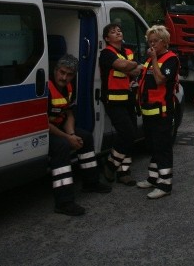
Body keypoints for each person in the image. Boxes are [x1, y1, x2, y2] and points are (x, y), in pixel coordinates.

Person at [48, 54, 111, 216]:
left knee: (85, 137)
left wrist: (71, 133)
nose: (64, 77)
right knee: (62, 146)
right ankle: (64, 202)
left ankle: (91, 182)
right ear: (55, 70)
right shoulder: (46, 88)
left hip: (61, 126)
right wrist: (67, 138)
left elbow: (69, 113)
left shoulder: (70, 86)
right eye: (61, 72)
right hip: (45, 130)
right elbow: (43, 122)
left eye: (69, 74)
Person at [133, 25, 179, 199]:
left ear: (164, 42)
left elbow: (160, 80)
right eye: (149, 41)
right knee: (152, 145)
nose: (151, 45)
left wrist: (152, 60)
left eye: (154, 41)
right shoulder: (151, 58)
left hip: (162, 112)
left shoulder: (170, 59)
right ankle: (153, 178)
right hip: (148, 110)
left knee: (163, 147)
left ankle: (165, 185)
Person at [98, 23, 143, 186]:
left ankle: (124, 172)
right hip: (114, 101)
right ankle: (110, 164)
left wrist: (130, 66)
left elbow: (137, 70)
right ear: (107, 38)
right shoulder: (106, 54)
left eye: (119, 30)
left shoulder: (128, 51)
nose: (118, 32)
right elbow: (127, 66)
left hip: (129, 99)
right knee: (128, 133)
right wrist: (131, 65)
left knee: (130, 135)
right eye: (113, 32)